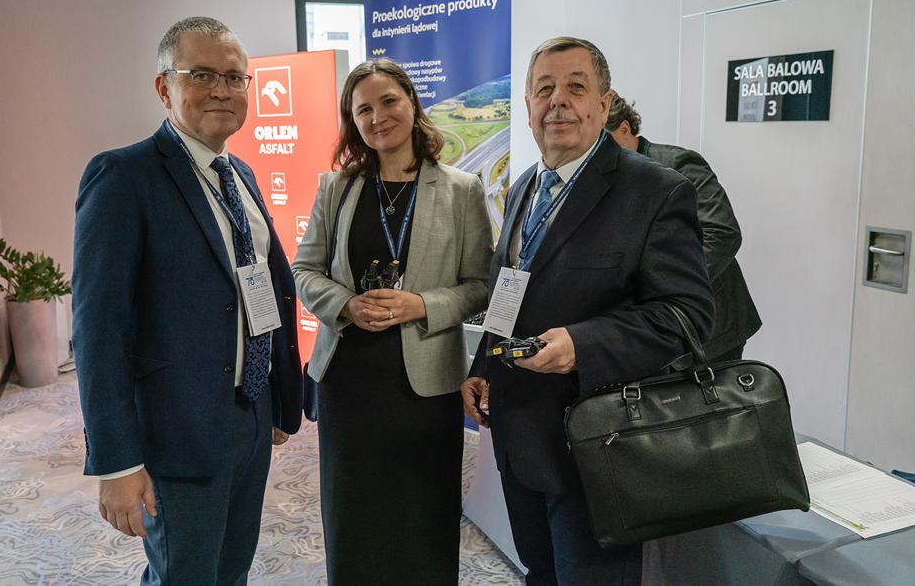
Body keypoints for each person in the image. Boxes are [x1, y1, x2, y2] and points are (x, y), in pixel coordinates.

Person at [461, 37, 714, 585]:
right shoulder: (525, 187)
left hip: (598, 446)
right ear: (527, 105)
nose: (558, 100)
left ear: (604, 103)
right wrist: (484, 365)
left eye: (576, 87)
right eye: (544, 89)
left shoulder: (656, 191)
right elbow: (510, 288)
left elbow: (688, 314)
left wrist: (582, 345)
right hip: (520, 434)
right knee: (540, 572)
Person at [72, 16, 303, 586]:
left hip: (249, 417)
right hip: (177, 430)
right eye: (202, 75)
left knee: (231, 568)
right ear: (164, 87)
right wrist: (118, 461)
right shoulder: (124, 176)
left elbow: (259, 289)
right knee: (185, 575)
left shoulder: (241, 174)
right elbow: (98, 330)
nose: (222, 90)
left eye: (234, 77)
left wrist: (273, 398)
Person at [292, 59, 493, 585]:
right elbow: (304, 270)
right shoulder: (336, 188)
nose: (378, 117)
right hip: (348, 380)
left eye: (388, 102)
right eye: (364, 110)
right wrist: (346, 305)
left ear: (411, 103)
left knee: (423, 516)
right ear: (352, 121)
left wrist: (420, 304)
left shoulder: (462, 189)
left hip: (425, 385)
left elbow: (480, 285)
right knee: (353, 515)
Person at [608, 91, 761, 363]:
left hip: (712, 325)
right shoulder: (606, 177)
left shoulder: (679, 164)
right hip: (653, 329)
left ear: (624, 128)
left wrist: (661, 285)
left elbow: (722, 233)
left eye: (602, 141)